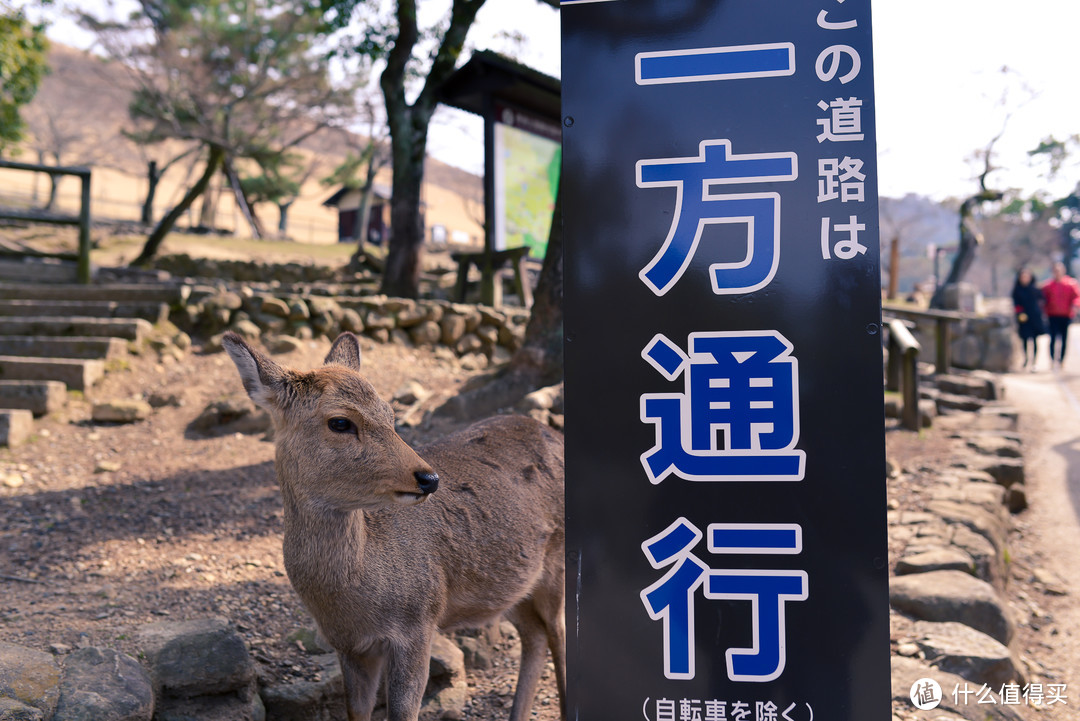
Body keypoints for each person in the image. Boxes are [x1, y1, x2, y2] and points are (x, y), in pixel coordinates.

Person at [1041, 261, 1080, 367]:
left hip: (1066, 315)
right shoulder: (1048, 285)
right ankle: (1053, 360)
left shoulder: (1071, 284)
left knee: (1064, 339)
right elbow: (1042, 298)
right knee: (1053, 338)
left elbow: (1077, 297)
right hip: (1052, 315)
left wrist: (1075, 306)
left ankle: (1061, 360)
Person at [1012, 268, 1046, 370]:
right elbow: (1016, 303)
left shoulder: (1035, 289)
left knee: (1035, 340)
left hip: (1034, 317)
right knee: (1025, 339)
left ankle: (1034, 361)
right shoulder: (1017, 290)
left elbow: (1042, 300)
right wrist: (1020, 313)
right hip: (1023, 317)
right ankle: (1026, 359)